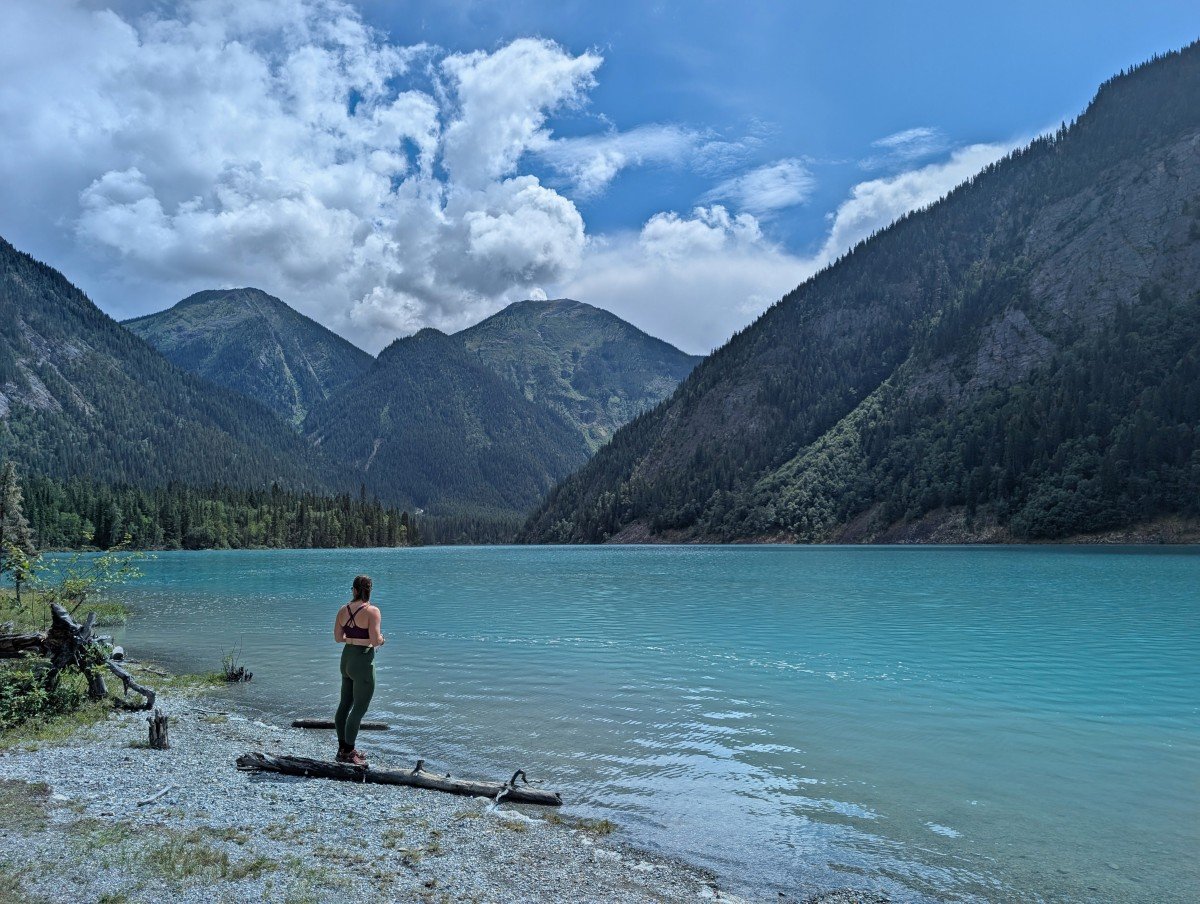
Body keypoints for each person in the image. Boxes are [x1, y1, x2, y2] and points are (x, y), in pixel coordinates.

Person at [333, 574, 385, 765]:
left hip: (346, 658)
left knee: (344, 704)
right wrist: (382, 640)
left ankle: (342, 749)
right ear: (369, 591)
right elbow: (374, 640)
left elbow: (338, 638)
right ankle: (349, 751)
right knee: (359, 708)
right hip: (363, 660)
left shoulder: (342, 610)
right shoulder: (372, 611)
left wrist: (353, 639)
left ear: (354, 590)